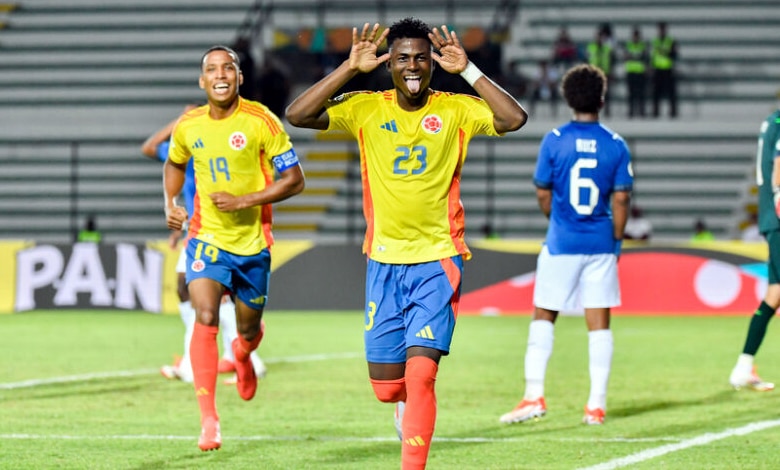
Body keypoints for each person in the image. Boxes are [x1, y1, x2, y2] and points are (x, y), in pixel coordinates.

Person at [285, 18, 527, 469]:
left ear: (432, 63)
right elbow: (297, 115)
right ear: (389, 64)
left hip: (438, 259)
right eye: (402, 59)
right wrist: (348, 69)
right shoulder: (365, 107)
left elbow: (514, 119)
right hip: (383, 262)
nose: (412, 66)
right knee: (388, 388)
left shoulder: (456, 109)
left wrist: (468, 69)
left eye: (420, 58)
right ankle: (402, 406)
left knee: (421, 376)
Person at [164, 45, 305, 451]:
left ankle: (242, 356)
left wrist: (245, 201)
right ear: (202, 80)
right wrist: (171, 204)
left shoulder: (262, 121)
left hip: (253, 245)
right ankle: (209, 420)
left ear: (240, 78)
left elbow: (295, 180)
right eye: (212, 69)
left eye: (228, 68)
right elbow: (174, 163)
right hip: (206, 237)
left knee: (247, 330)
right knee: (205, 314)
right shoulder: (189, 125)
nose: (220, 74)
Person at [499, 64, 632, 426]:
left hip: (561, 242)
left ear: (568, 98)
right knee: (599, 324)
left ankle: (533, 396)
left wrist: (556, 219)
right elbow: (621, 199)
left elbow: (543, 192)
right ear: (602, 99)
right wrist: (616, 241)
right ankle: (596, 406)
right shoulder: (616, 144)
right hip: (600, 243)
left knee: (544, 315)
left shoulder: (554, 140)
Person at [141, 104, 267, 386]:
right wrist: (180, 121)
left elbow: (150, 148)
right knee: (187, 289)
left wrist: (181, 121)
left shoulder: (206, 148)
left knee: (208, 295)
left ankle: (223, 362)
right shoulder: (185, 151)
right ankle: (216, 359)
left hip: (217, 230)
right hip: (198, 228)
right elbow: (150, 148)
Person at [728, 101, 780, 392]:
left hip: (771, 217)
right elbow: (779, 172)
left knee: (775, 293)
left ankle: (744, 367)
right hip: (779, 217)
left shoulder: (773, 120)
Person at [586, 27, 615, 118]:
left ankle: (607, 111)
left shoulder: (607, 49)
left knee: (606, 94)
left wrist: (611, 72)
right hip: (593, 73)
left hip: (605, 73)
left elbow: (611, 61)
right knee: (593, 94)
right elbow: (586, 60)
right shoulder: (590, 47)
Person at [651, 22, 678, 118]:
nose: (661, 31)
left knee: (671, 92)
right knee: (656, 93)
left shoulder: (670, 41)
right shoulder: (655, 41)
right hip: (657, 69)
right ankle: (655, 112)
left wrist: (668, 53)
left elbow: (674, 55)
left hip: (668, 69)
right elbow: (652, 55)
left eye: (663, 29)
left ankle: (673, 112)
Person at [623, 25, 648, 118]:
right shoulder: (628, 45)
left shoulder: (643, 45)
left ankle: (642, 111)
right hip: (631, 71)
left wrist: (633, 56)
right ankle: (631, 111)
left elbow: (645, 57)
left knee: (641, 93)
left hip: (640, 71)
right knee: (631, 93)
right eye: (635, 35)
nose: (636, 37)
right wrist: (636, 57)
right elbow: (626, 56)